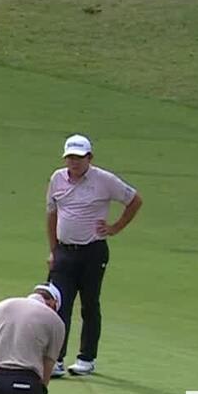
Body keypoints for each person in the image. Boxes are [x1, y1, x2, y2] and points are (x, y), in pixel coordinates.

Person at [45, 134, 143, 378]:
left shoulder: (104, 180)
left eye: (79, 158)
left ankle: (86, 359)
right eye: (70, 157)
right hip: (64, 252)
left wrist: (115, 227)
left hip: (93, 251)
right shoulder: (57, 178)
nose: (74, 162)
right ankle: (56, 359)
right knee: (58, 305)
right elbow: (52, 214)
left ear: (89, 158)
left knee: (89, 304)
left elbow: (134, 200)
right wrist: (53, 250)